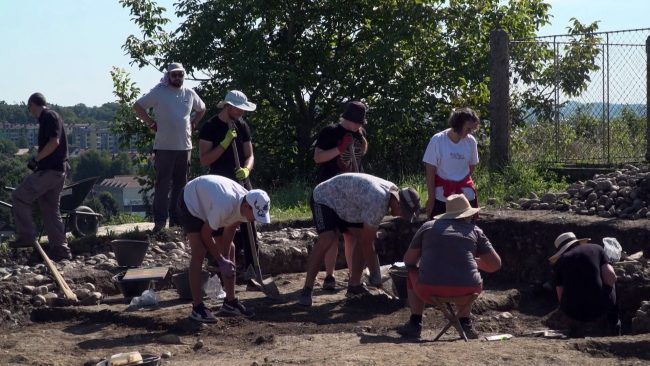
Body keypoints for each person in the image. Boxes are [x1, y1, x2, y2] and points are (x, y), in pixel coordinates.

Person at [298, 173, 421, 307]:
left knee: (363, 235)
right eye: (403, 212)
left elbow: (366, 239)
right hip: (325, 198)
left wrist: (375, 272)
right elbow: (367, 244)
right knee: (327, 238)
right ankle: (307, 289)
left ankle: (354, 285)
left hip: (347, 204)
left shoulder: (392, 192)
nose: (402, 216)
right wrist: (375, 275)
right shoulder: (378, 201)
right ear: (398, 202)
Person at [396, 194, 501, 339]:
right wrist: (473, 263)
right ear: (467, 215)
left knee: (411, 271)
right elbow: (495, 265)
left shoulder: (427, 227)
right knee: (470, 273)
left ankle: (415, 323)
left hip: (428, 290)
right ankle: (465, 324)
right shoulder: (475, 231)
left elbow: (409, 261)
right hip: (468, 292)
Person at [178, 174, 271, 322]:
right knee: (199, 250)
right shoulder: (225, 204)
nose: (254, 220)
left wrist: (226, 259)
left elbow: (231, 228)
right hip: (192, 200)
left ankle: (230, 302)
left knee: (231, 249)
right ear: (247, 207)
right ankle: (197, 308)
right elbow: (205, 234)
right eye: (255, 215)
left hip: (210, 201)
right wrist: (220, 260)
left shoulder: (244, 204)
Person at [133, 62, 206, 232]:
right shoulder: (160, 91)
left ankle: (177, 220)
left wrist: (194, 123)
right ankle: (160, 222)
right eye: (174, 74)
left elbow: (202, 109)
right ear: (168, 76)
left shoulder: (189, 93)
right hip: (164, 147)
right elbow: (138, 106)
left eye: (180, 74)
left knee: (181, 186)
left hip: (184, 147)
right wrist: (150, 123)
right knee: (162, 185)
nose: (178, 77)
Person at [198, 90, 258, 274]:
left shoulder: (242, 126)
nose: (242, 113)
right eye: (239, 109)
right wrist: (224, 143)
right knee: (223, 227)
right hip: (220, 185)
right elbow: (205, 159)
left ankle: (252, 269)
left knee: (249, 224)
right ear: (228, 106)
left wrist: (246, 169)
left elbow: (250, 155)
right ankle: (223, 267)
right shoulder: (210, 127)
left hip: (241, 182)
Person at [312, 101, 370, 291]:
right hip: (330, 191)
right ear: (349, 119)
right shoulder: (329, 132)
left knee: (352, 235)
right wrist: (339, 149)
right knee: (331, 234)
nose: (360, 125)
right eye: (358, 122)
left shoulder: (360, 135)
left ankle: (354, 277)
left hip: (352, 191)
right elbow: (318, 157)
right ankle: (329, 276)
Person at [9, 93, 72, 261]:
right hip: (58, 170)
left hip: (50, 171)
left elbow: (54, 142)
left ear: (33, 104)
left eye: (29, 108)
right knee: (50, 210)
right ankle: (60, 250)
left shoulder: (49, 116)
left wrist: (36, 159)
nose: (30, 112)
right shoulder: (50, 117)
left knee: (19, 196)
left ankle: (27, 236)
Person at [549, 232, 620, 337]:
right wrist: (607, 292)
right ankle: (614, 328)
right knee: (611, 284)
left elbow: (561, 297)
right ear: (577, 242)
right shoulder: (597, 248)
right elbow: (611, 276)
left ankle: (576, 330)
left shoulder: (560, 262)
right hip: (601, 306)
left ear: (562, 249)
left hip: (574, 312)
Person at [422, 107, 480, 219]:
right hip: (441, 196)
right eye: (468, 129)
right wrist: (431, 198)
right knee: (439, 231)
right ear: (458, 124)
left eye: (472, 130)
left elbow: (471, 167)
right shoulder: (438, 140)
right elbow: (430, 172)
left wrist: (459, 180)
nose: (470, 133)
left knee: (467, 231)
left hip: (465, 197)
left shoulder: (471, 141)